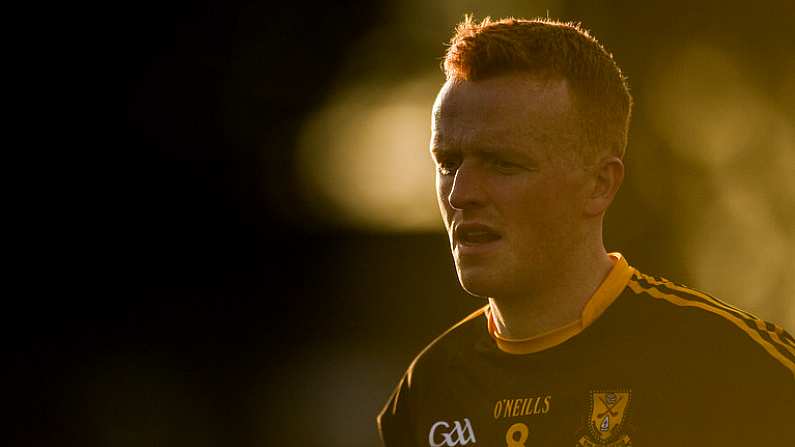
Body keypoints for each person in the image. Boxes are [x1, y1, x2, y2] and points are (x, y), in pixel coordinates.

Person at [377, 16, 794, 446]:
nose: (461, 193)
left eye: (503, 163)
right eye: (448, 164)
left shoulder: (735, 369)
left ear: (600, 185)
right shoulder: (425, 393)